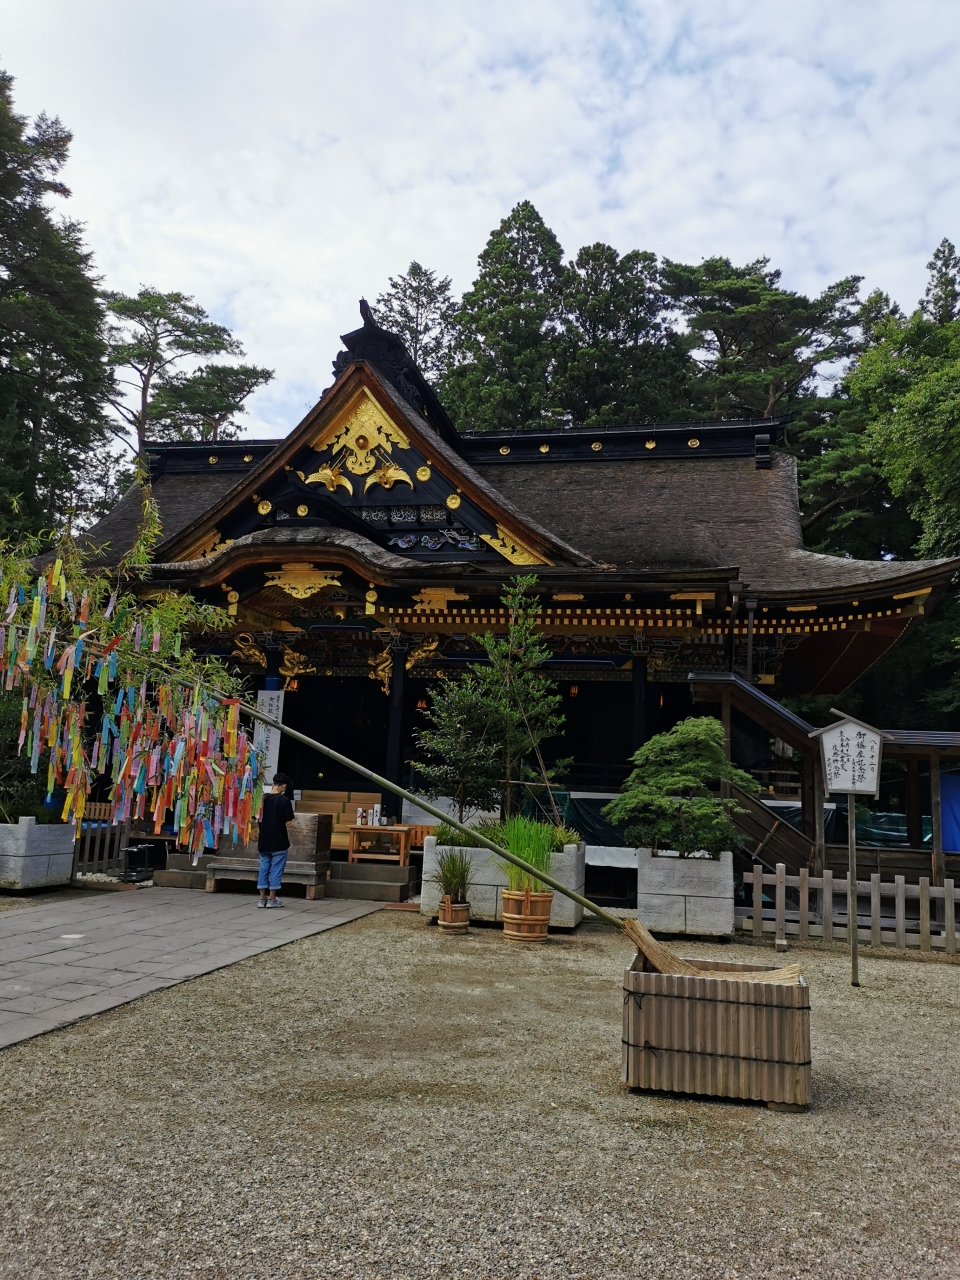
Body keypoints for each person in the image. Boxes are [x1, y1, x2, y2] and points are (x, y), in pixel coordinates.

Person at [257, 773, 295, 908]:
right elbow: (289, 822)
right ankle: (272, 899)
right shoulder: (284, 801)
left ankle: (262, 899)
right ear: (284, 786)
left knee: (263, 868)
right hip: (279, 840)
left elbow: (257, 816)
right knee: (276, 869)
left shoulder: (262, 798)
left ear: (273, 783)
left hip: (264, 840)